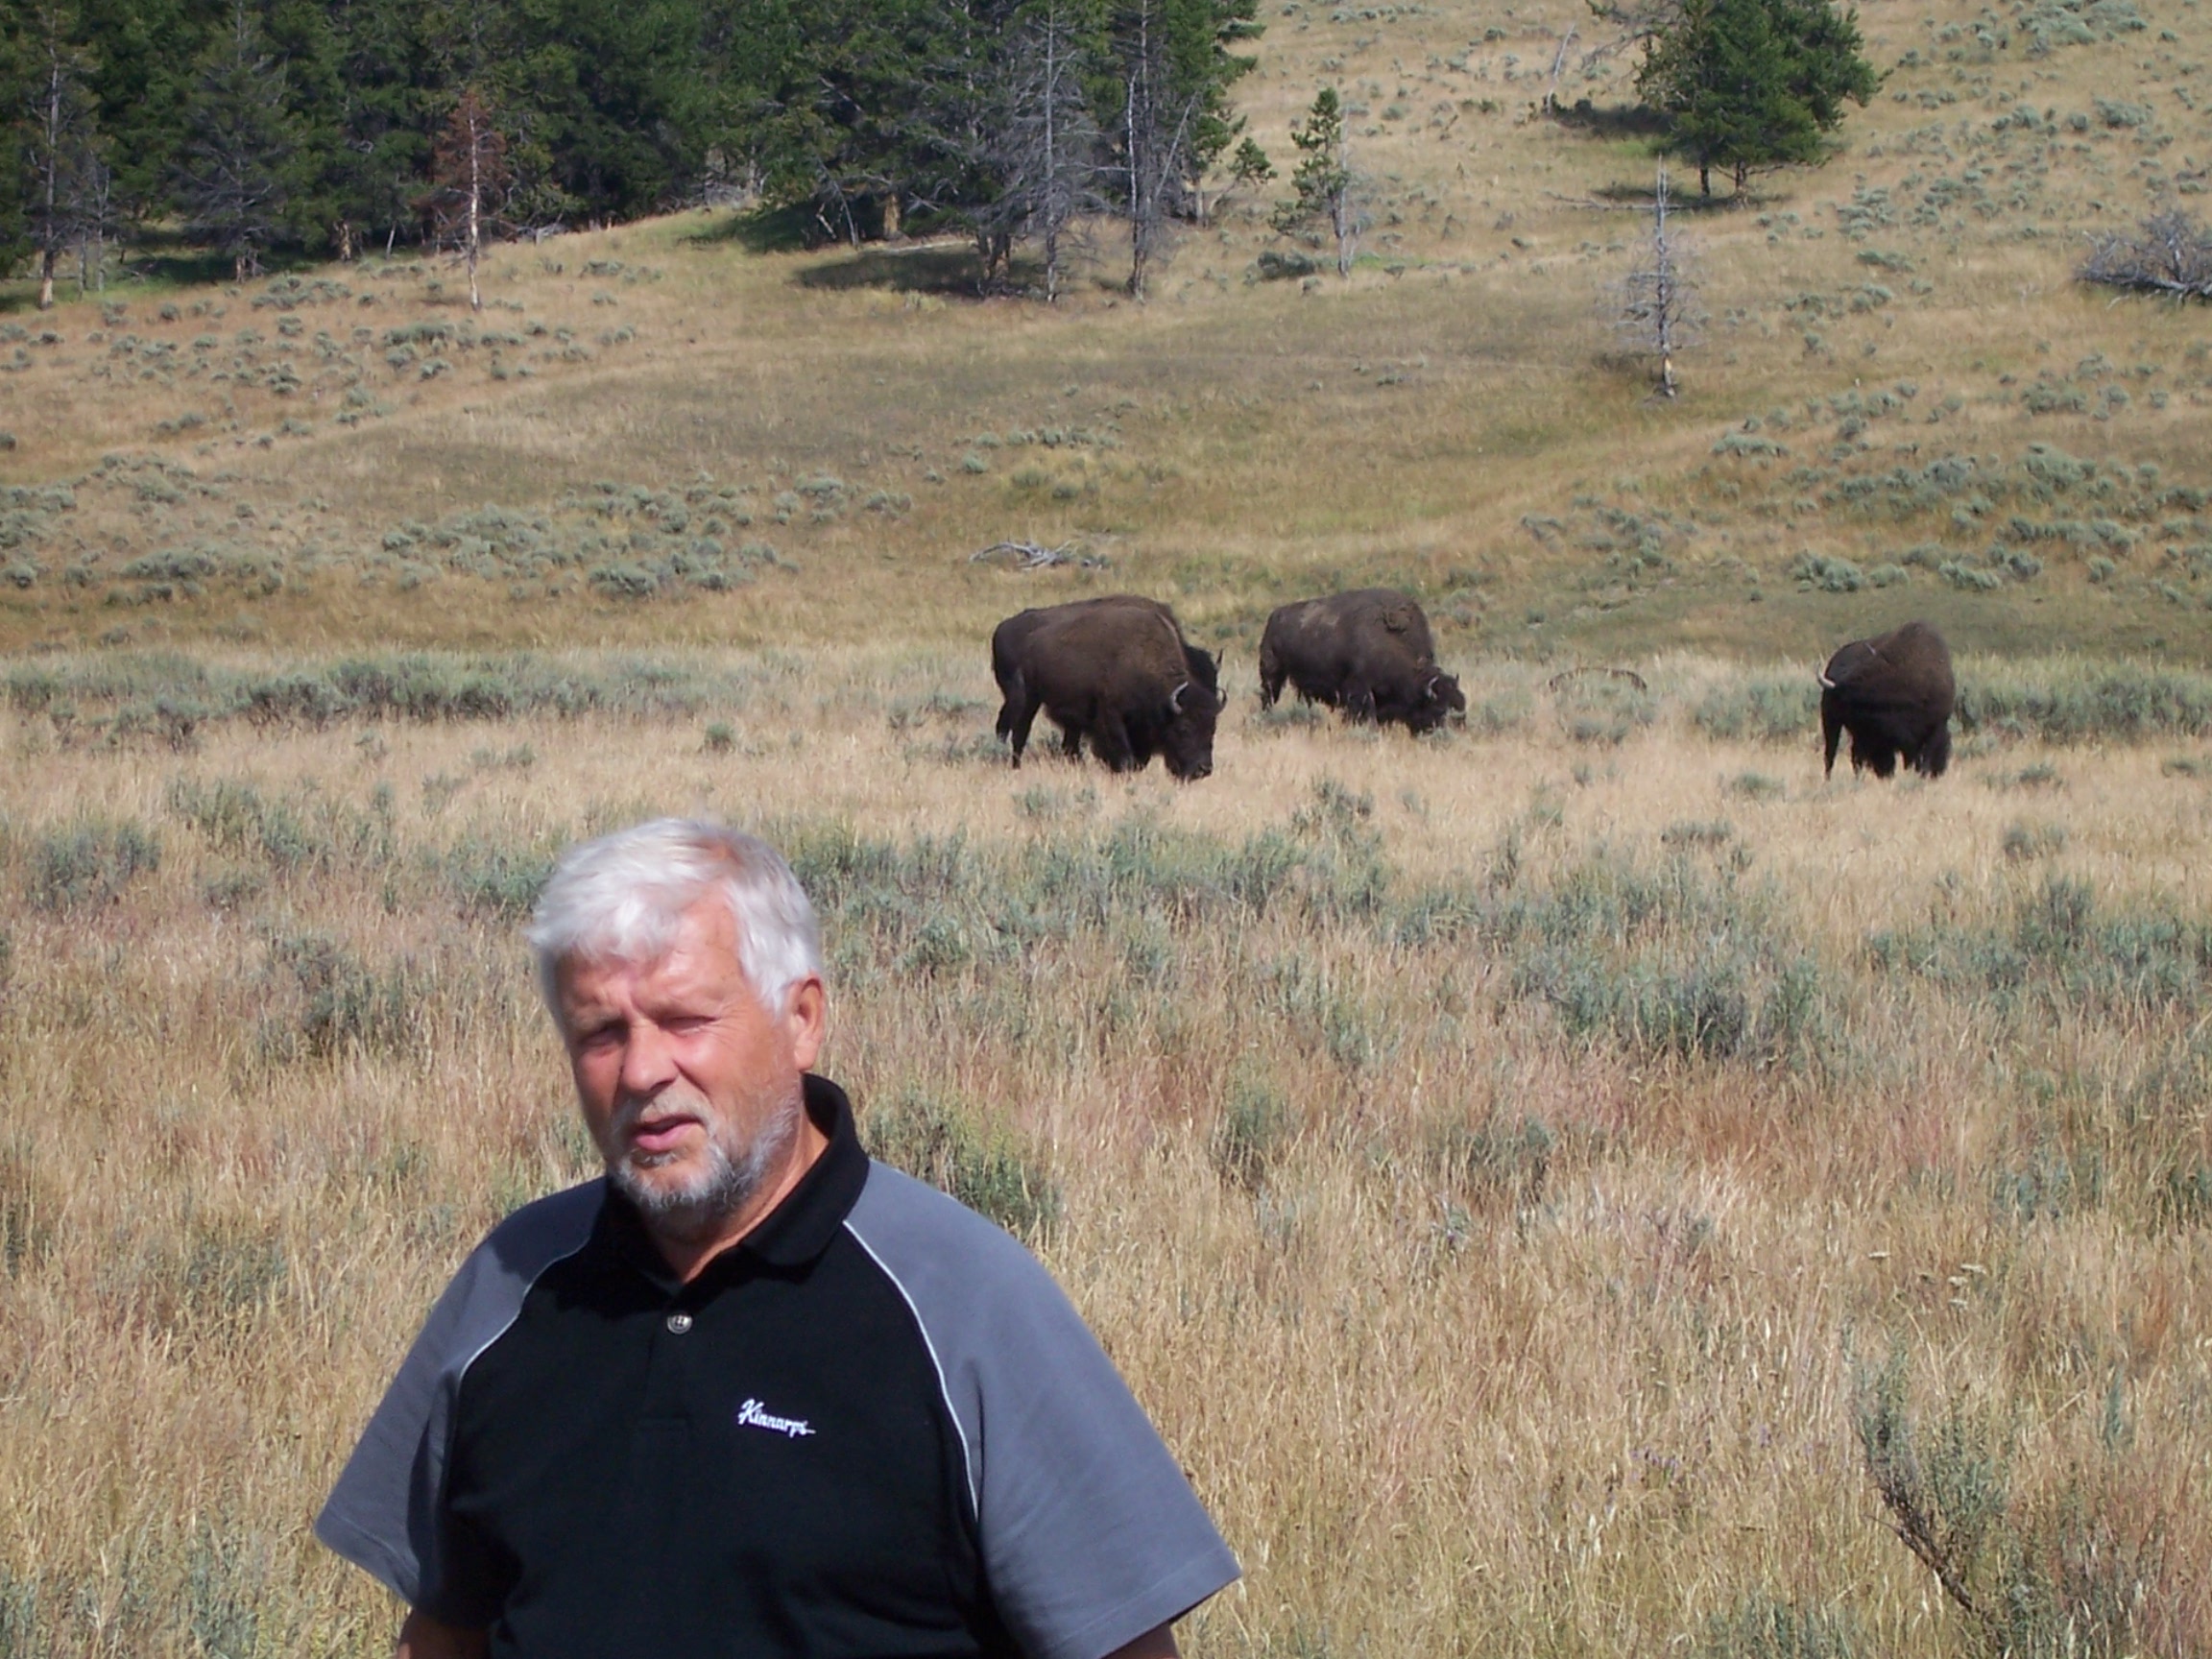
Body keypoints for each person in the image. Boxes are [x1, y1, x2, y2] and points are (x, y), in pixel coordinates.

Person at [316, 818, 1238, 1659]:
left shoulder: (965, 1303)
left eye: (685, 1019)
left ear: (801, 1020)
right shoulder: (512, 1285)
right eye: (601, 1032)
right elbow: (442, 1634)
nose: (643, 1070)